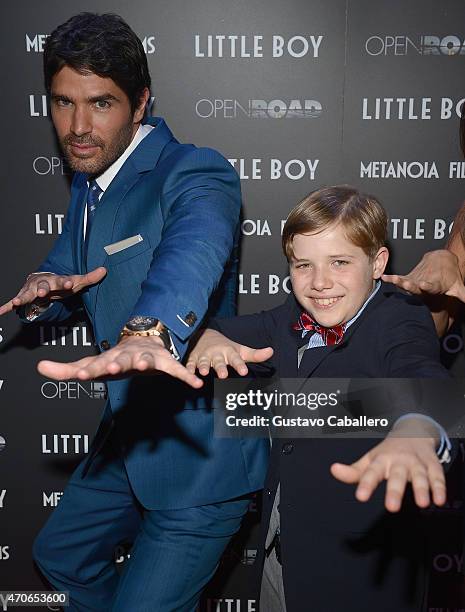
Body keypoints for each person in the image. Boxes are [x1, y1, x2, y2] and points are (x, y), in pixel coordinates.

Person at [0, 13, 268, 611]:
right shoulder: (88, 182)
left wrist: (150, 330)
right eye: (62, 104)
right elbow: (66, 268)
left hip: (200, 456)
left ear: (140, 103)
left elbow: (192, 248)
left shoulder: (194, 170)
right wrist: (44, 289)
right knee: (60, 557)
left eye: (100, 103)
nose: (78, 127)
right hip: (129, 440)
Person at [186, 185, 454, 611]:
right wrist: (207, 337)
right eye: (303, 265)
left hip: (359, 574)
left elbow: (423, 376)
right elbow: (210, 328)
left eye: (340, 263)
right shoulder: (290, 316)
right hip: (282, 553)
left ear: (378, 262)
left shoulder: (399, 315)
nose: (319, 283)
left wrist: (416, 429)